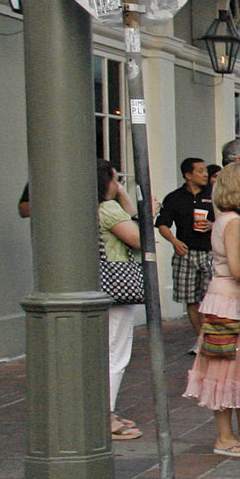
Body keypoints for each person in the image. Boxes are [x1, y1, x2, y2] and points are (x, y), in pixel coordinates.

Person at [183, 165, 240, 457]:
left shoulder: (227, 219)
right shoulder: (233, 222)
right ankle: (225, 436)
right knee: (225, 368)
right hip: (230, 303)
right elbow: (236, 268)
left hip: (234, 302)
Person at [97, 161, 144, 441]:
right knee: (116, 353)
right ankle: (106, 414)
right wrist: (123, 196)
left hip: (99, 284)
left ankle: (107, 412)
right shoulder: (108, 209)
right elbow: (139, 238)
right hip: (117, 285)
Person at [156, 157, 216, 333]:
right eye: (200, 171)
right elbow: (162, 224)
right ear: (188, 175)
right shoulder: (174, 198)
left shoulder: (214, 194)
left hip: (210, 251)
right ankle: (200, 337)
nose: (205, 174)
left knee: (211, 297)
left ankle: (211, 335)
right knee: (191, 298)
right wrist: (174, 241)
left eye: (205, 170)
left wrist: (213, 225)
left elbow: (229, 217)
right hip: (186, 252)